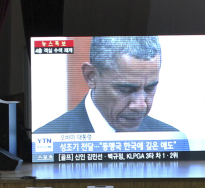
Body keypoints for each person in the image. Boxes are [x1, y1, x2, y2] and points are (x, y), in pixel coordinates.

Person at [34, 36, 183, 139]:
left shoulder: (173, 137)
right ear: (91, 76)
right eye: (126, 89)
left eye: (150, 89)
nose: (141, 105)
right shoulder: (46, 137)